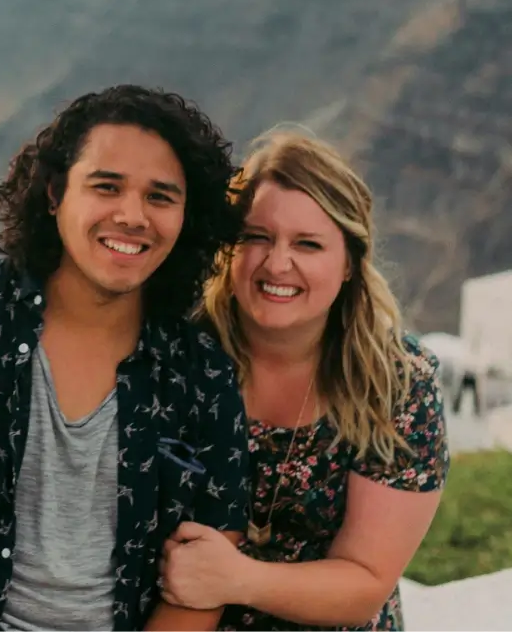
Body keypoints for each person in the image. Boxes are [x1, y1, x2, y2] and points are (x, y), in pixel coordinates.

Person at [0, 84, 252, 632]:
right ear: (55, 193)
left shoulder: (202, 373)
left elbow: (203, 582)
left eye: (160, 196)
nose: (132, 216)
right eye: (107, 187)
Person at [158, 130, 450, 630]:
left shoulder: (397, 385)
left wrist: (237, 580)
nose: (277, 264)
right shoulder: (175, 351)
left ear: (348, 267)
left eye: (308, 244)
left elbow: (364, 583)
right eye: (256, 237)